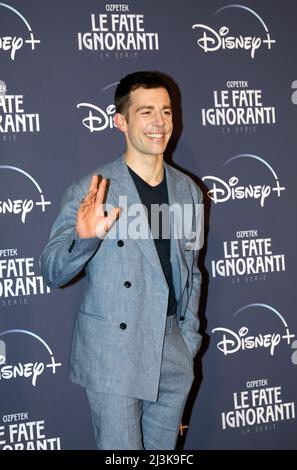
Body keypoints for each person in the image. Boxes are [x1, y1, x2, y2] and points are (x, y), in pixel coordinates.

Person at [40, 71, 203, 450]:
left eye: (166, 111)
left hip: (172, 349)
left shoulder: (188, 192)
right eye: (146, 112)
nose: (159, 122)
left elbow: (192, 271)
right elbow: (52, 270)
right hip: (114, 352)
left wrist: (188, 339)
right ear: (121, 121)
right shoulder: (93, 189)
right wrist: (84, 239)